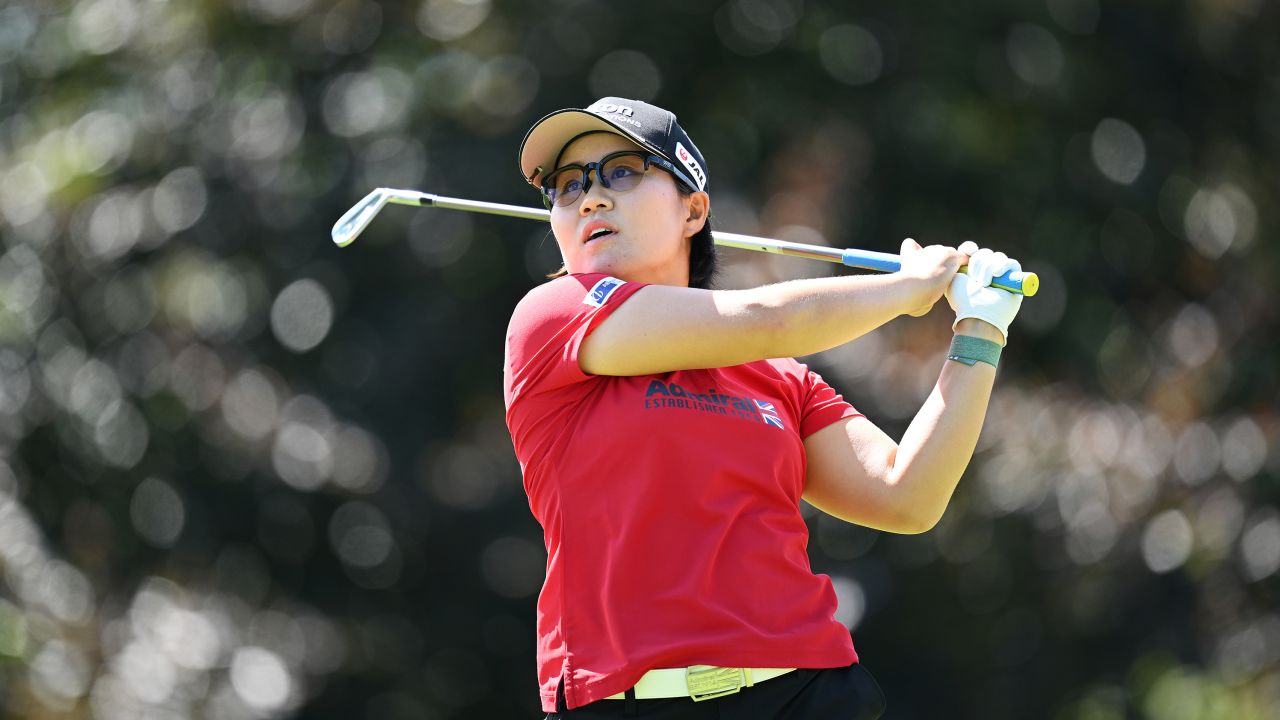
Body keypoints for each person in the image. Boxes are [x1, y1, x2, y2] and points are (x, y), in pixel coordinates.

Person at [503, 97, 1024, 719]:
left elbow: (904, 495)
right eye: (566, 186)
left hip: (804, 692)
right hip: (627, 700)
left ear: (693, 209)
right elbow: (766, 317)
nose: (590, 197)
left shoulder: (778, 379)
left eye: (621, 171)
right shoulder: (551, 318)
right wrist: (907, 289)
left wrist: (980, 331)